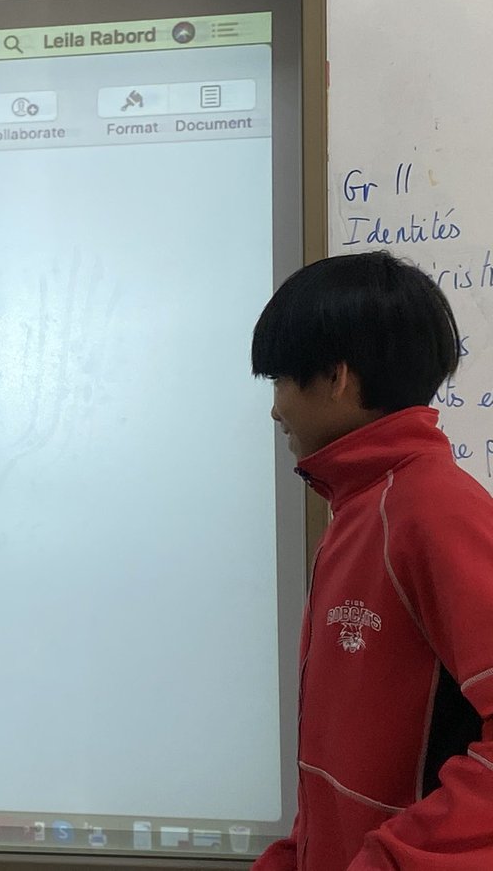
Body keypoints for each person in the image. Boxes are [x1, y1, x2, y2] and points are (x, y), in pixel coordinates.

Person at [251, 251, 493, 869]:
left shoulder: (433, 510)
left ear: (337, 377)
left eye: (279, 381)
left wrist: (394, 857)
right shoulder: (359, 507)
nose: (275, 408)